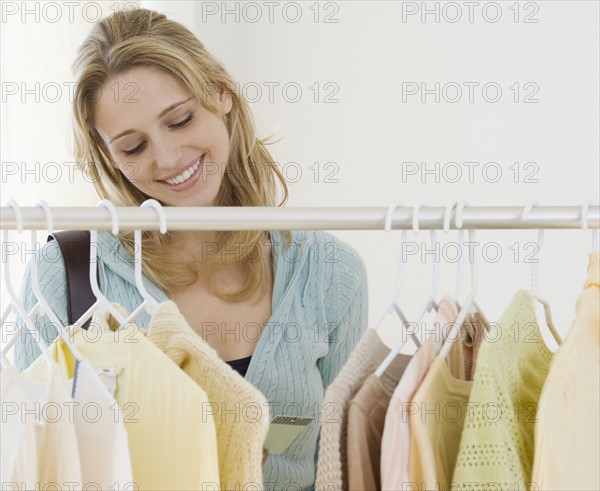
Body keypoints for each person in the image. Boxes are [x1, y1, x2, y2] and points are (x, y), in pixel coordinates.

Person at [14, 8, 368, 491]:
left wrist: (250, 444)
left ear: (220, 93)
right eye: (133, 147)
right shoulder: (66, 275)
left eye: (180, 120)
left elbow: (323, 436)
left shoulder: (330, 273)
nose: (167, 158)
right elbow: (34, 461)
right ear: (110, 159)